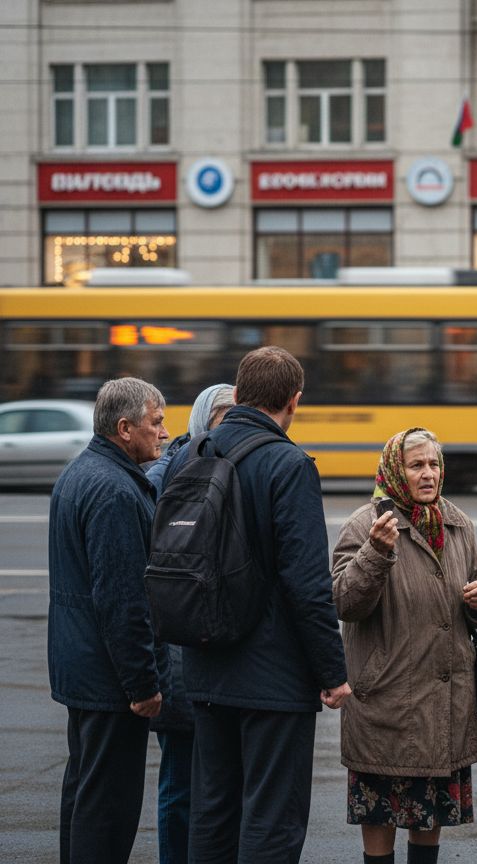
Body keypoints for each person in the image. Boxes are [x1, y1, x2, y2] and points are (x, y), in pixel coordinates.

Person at [160, 346, 352, 864]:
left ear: (239, 395)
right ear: (294, 401)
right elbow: (306, 583)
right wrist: (332, 672)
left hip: (203, 660)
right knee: (272, 816)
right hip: (273, 676)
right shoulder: (289, 464)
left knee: (213, 810)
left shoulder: (188, 454)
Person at [332, 428, 477, 864]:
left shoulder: (457, 523)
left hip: (443, 707)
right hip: (388, 704)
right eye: (416, 465)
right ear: (394, 471)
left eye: (434, 464)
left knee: (429, 822)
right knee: (380, 819)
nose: (428, 474)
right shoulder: (366, 525)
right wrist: (375, 553)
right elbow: (345, 602)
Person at [48, 377, 169, 864]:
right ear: (124, 428)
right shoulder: (116, 490)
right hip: (110, 679)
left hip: (82, 667)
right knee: (108, 807)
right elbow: (123, 600)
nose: (164, 433)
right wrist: (142, 685)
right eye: (155, 423)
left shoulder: (80, 473)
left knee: (84, 793)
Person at [144, 382, 235, 864]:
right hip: (181, 652)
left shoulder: (228, 467)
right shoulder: (171, 473)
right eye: (224, 417)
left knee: (212, 785)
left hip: (209, 653)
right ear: (204, 421)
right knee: (181, 782)